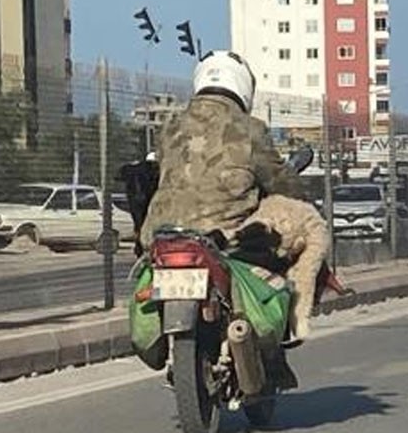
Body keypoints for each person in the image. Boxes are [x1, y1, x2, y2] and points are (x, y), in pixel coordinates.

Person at [141, 50, 329, 341]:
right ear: (243, 86)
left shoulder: (169, 128)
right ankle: (293, 322)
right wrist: (300, 198)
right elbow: (279, 180)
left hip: (161, 234)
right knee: (308, 229)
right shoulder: (250, 129)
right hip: (225, 236)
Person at [118, 151, 160, 257]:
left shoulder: (132, 169)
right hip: (147, 199)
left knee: (138, 224)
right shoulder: (152, 170)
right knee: (148, 222)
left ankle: (139, 246)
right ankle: (145, 245)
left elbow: (119, 175)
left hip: (134, 201)